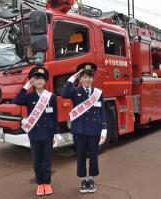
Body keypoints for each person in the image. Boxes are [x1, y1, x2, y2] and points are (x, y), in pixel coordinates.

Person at [13, 65, 61, 196]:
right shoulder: (28, 97)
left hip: (47, 135)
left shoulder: (51, 97)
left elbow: (54, 115)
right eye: (36, 79)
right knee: (36, 161)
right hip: (34, 135)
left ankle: (47, 183)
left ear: (45, 81)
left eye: (42, 79)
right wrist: (27, 86)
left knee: (47, 161)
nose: (39, 81)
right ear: (33, 81)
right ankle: (40, 184)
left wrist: (56, 133)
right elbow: (16, 100)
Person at [61, 62, 107, 193]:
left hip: (94, 129)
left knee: (94, 155)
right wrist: (73, 77)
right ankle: (83, 180)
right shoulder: (75, 91)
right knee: (80, 155)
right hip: (79, 130)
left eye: (90, 77)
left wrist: (104, 129)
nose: (88, 79)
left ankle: (91, 179)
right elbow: (64, 93)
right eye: (84, 77)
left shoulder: (98, 93)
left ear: (93, 78)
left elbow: (101, 111)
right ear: (80, 79)